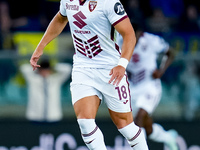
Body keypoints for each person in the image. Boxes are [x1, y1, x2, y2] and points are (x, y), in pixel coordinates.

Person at [30, 0, 149, 149]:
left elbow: (129, 34)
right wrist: (40, 47)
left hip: (110, 69)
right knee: (85, 122)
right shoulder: (67, 1)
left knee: (125, 126)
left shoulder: (109, 3)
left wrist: (122, 65)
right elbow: (61, 18)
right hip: (83, 67)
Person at [117, 23, 178, 150]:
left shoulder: (151, 41)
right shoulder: (118, 41)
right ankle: (167, 137)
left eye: (135, 34)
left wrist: (161, 70)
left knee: (140, 117)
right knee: (146, 127)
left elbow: (171, 52)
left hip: (150, 86)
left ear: (140, 33)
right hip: (132, 87)